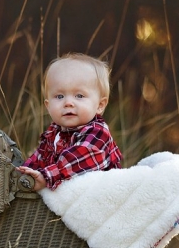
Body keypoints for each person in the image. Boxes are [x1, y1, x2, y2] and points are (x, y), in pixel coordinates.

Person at [17, 53, 123, 192]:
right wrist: (25, 173)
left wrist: (45, 176)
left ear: (100, 105)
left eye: (79, 96)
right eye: (59, 96)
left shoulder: (97, 132)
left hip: (101, 195)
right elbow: (40, 156)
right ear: (48, 106)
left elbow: (76, 160)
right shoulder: (54, 131)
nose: (68, 103)